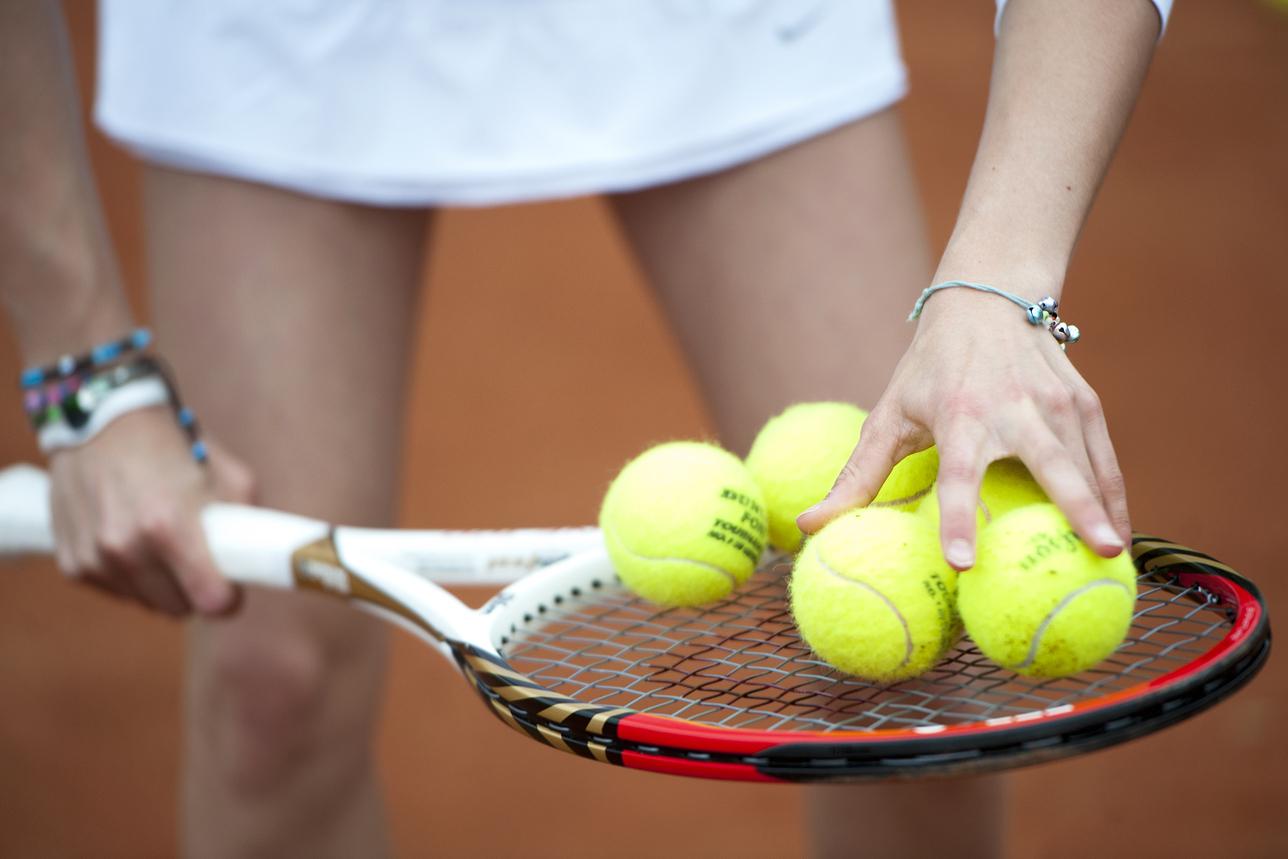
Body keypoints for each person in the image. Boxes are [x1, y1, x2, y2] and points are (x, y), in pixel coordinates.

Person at [0, 1, 1168, 855]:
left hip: (718, 33)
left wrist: (996, 281)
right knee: (273, 688)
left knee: (920, 683)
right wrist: (86, 374)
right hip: (274, 41)